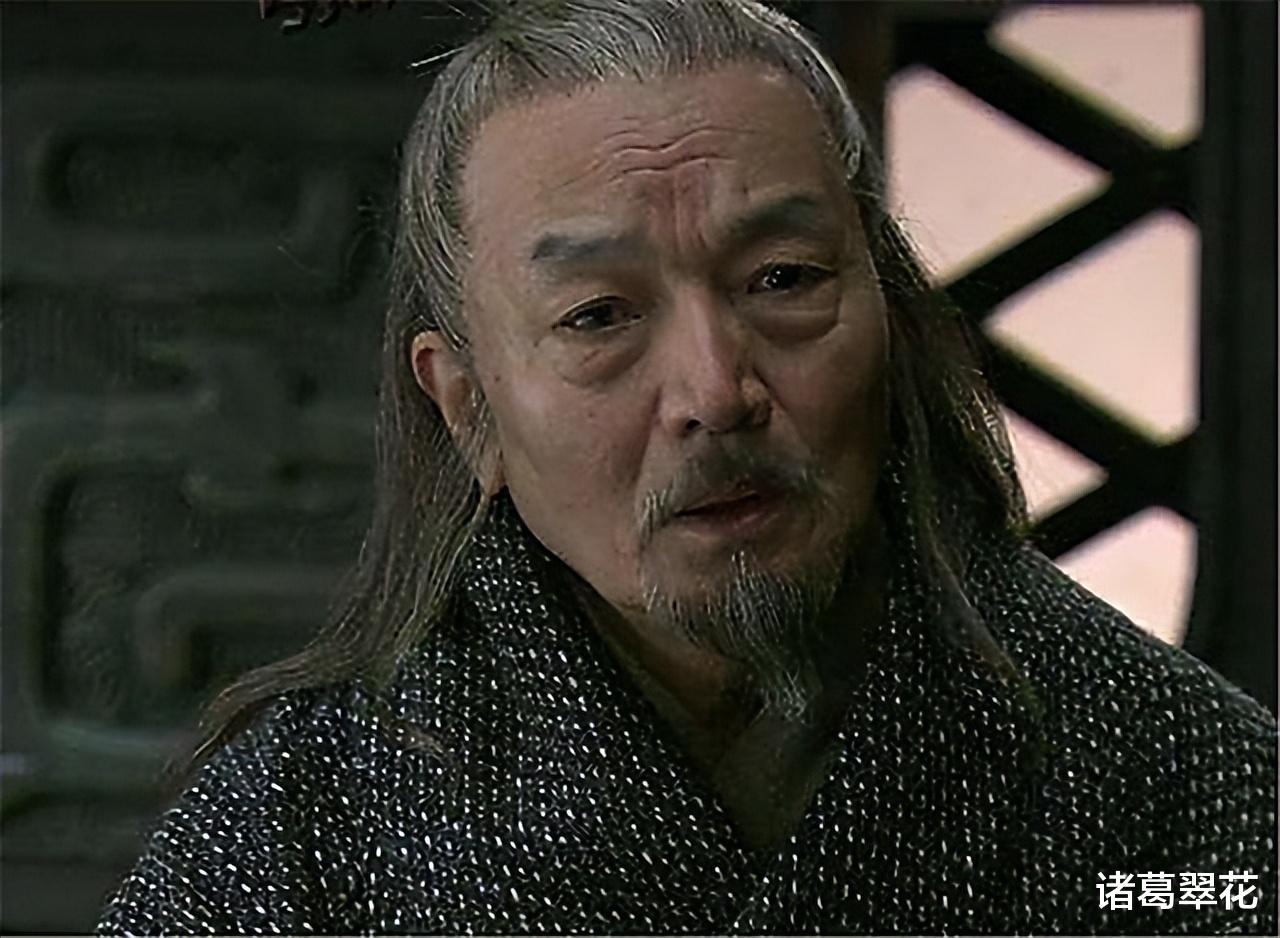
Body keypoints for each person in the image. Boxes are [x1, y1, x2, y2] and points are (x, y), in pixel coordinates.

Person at [98, 1, 1277, 934]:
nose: (716, 390)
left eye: (783, 280)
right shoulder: (303, 827)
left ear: (889, 312)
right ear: (467, 408)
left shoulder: (1172, 776)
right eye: (598, 315)